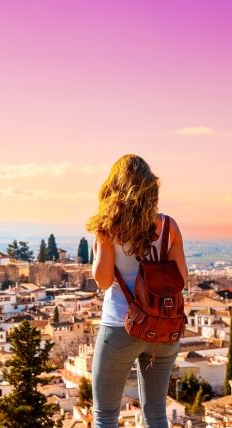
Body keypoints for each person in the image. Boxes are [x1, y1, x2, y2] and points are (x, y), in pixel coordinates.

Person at [86, 154, 188, 428]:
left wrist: (102, 245)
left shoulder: (107, 227)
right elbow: (182, 278)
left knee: (105, 416)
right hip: (163, 327)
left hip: (121, 325)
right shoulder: (168, 225)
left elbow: (103, 281)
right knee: (155, 414)